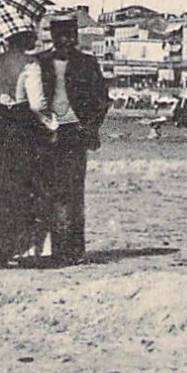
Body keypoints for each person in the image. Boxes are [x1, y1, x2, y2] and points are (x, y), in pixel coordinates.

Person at [36, 14, 109, 266]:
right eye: (60, 36)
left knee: (74, 193)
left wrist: (90, 125)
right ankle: (55, 249)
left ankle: (74, 250)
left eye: (70, 35)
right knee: (49, 192)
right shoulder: (40, 62)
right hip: (45, 133)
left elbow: (101, 97)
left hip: (75, 132)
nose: (65, 41)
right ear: (53, 37)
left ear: (76, 37)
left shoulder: (87, 63)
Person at [0, 30, 51, 268]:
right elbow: (37, 103)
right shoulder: (30, 64)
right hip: (22, 125)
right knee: (26, 185)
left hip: (1, 126)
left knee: (2, 187)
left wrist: (1, 100)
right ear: (26, 40)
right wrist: (51, 121)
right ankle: (23, 248)